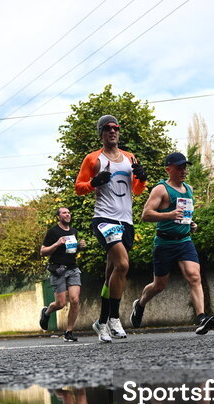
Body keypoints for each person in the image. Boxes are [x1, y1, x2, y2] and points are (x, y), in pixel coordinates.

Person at [75, 114, 149, 343]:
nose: (112, 131)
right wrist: (94, 182)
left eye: (115, 128)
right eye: (107, 128)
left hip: (126, 221)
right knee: (123, 264)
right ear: (101, 133)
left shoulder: (129, 158)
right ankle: (115, 317)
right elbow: (79, 187)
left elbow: (136, 190)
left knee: (111, 275)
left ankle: (101, 321)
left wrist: (142, 179)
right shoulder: (93, 159)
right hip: (104, 219)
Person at [130, 152, 214, 335]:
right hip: (164, 242)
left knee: (194, 276)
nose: (183, 170)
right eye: (179, 167)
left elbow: (185, 216)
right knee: (159, 285)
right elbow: (145, 215)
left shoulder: (189, 189)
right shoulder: (160, 189)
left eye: (185, 167)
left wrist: (191, 224)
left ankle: (201, 318)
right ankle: (140, 304)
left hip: (185, 241)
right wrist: (168, 215)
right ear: (168, 169)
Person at [39, 206, 85, 342]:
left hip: (73, 269)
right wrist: (57, 243)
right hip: (58, 270)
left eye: (69, 212)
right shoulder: (53, 232)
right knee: (61, 304)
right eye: (64, 213)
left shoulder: (73, 231)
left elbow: (71, 252)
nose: (68, 214)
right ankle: (46, 312)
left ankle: (68, 332)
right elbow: (42, 252)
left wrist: (79, 248)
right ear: (58, 216)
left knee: (75, 300)